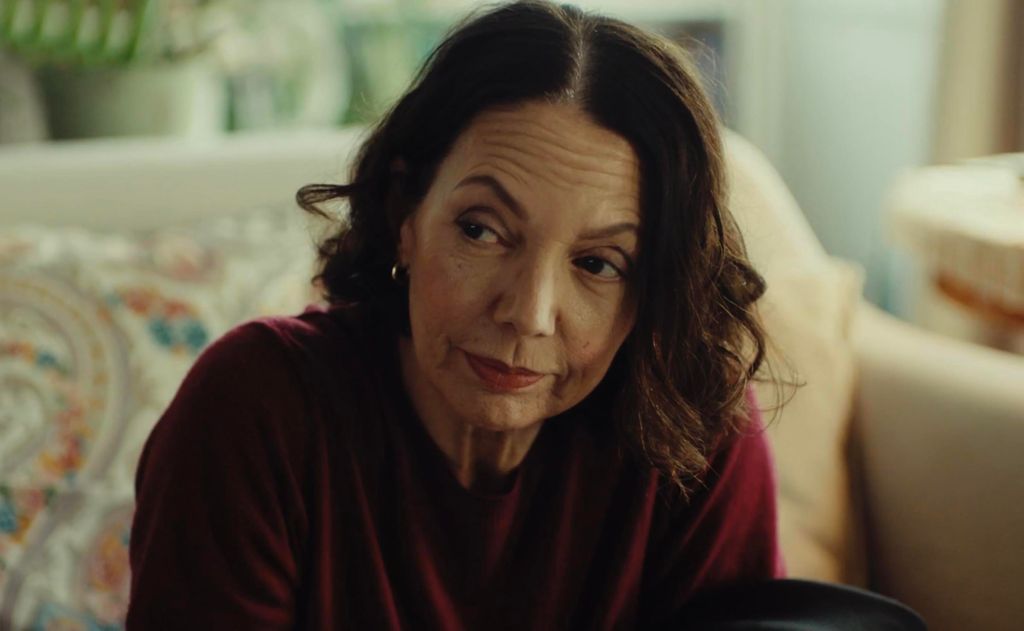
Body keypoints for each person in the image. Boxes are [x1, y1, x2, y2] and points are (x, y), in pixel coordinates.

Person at [127, 1, 925, 629]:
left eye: (598, 264)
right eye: (483, 230)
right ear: (406, 208)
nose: (529, 313)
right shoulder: (255, 409)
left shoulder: (692, 423)